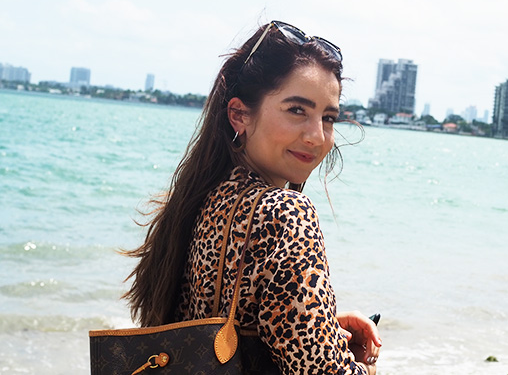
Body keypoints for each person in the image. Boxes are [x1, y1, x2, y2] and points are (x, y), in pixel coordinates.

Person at [123, 20, 381, 374]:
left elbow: (219, 327)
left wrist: (323, 327)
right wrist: (363, 366)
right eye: (297, 110)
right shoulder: (286, 213)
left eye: (328, 117)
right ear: (239, 115)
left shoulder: (199, 200)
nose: (317, 136)